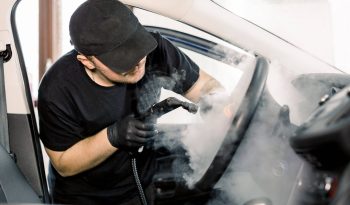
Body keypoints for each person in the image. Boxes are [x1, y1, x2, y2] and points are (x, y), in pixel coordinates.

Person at [38, 0, 222, 204]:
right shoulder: (58, 87)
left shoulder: (157, 50)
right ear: (87, 61)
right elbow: (63, 163)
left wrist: (219, 107)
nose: (138, 62)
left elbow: (205, 87)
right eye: (122, 59)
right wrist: (112, 136)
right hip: (83, 198)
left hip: (139, 187)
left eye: (137, 48)